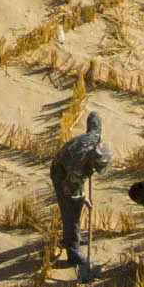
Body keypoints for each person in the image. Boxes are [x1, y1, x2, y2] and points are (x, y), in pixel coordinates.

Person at [49, 113, 110, 275]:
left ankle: (72, 236)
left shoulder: (95, 138)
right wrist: (83, 198)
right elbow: (71, 189)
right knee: (72, 213)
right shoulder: (78, 167)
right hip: (61, 173)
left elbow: (94, 118)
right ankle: (73, 252)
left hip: (70, 166)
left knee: (76, 209)